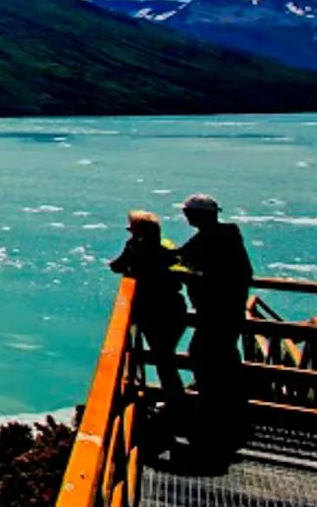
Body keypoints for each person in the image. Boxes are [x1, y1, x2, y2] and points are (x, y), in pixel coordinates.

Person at [176, 193, 253, 453]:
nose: (186, 217)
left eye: (189, 213)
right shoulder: (221, 235)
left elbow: (185, 260)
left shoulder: (216, 238)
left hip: (219, 314)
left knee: (207, 359)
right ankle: (228, 419)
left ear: (200, 215)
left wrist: (196, 278)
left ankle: (216, 421)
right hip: (224, 313)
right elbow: (181, 255)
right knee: (223, 361)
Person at [107, 210, 189, 402]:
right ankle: (176, 400)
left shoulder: (137, 248)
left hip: (153, 311)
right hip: (175, 307)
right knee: (165, 358)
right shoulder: (165, 248)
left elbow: (117, 266)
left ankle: (175, 402)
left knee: (162, 358)